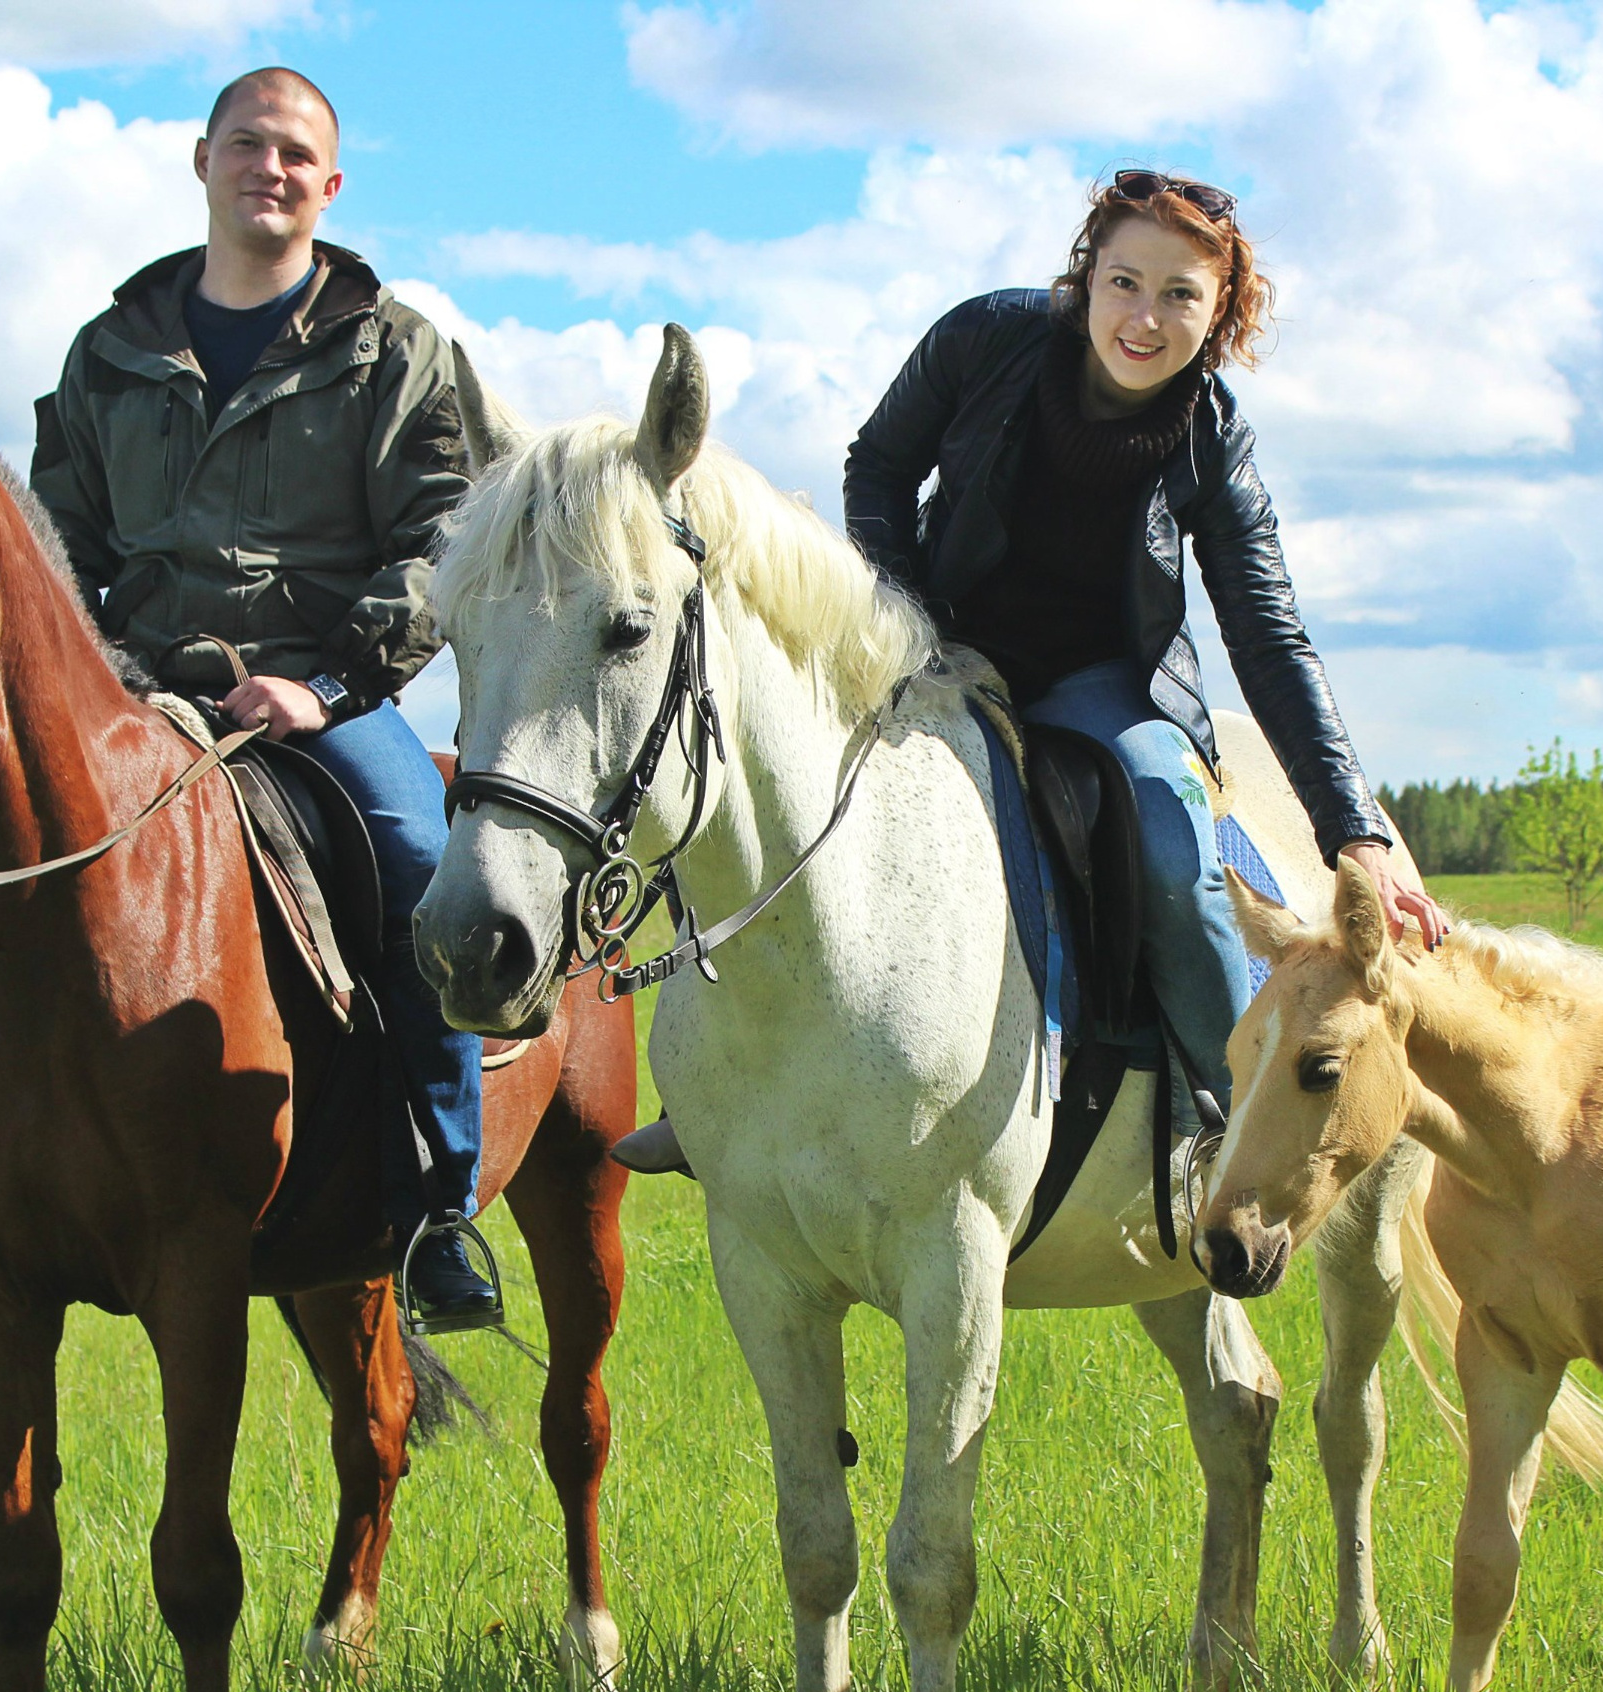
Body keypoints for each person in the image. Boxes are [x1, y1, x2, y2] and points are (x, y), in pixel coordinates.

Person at [615, 169, 1443, 1181]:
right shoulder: (986, 339)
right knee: (754, 772)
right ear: (1086, 274)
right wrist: (904, 623)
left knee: (1170, 834)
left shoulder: (1214, 441)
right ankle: (710, 1092)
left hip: (1100, 681)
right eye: (1125, 281)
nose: (1144, 317)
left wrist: (1351, 828)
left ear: (1221, 311)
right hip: (933, 643)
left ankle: (1225, 1116)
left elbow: (1271, 640)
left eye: (1181, 295)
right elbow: (878, 463)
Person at [0, 66, 504, 1335]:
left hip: (320, 696)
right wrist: (94, 685)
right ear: (202, 160)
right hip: (133, 696)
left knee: (418, 861)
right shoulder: (111, 355)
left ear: (330, 187)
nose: (270, 169)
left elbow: (449, 544)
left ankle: (435, 1201)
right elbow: (50, 554)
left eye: (296, 155)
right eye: (248, 146)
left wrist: (325, 686)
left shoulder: (397, 351)